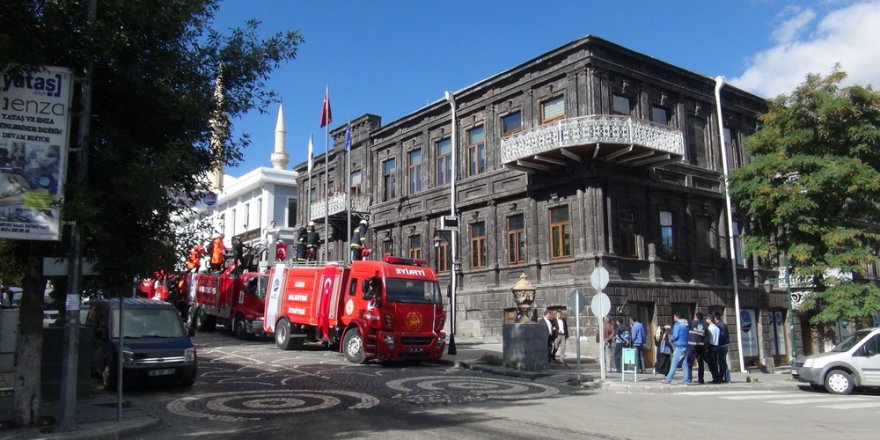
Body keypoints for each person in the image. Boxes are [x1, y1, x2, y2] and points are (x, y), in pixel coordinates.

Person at [663, 312, 691, 385]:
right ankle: (686, 380)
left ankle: (668, 379)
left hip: (679, 346)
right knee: (684, 364)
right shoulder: (687, 324)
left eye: (674, 316)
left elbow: (675, 335)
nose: (673, 318)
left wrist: (670, 339)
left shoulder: (677, 324)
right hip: (686, 345)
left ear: (677, 317)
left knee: (674, 363)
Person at [686, 311, 709, 384]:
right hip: (700, 346)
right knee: (700, 363)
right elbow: (706, 338)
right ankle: (701, 379)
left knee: (689, 363)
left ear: (696, 317)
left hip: (692, 346)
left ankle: (689, 378)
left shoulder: (692, 323)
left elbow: (687, 330)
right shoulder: (705, 325)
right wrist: (705, 347)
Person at [714, 312, 731, 383]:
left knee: (722, 362)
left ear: (715, 319)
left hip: (721, 345)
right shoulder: (724, 324)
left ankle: (726, 378)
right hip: (725, 345)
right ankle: (724, 377)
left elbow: (721, 336)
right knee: (722, 362)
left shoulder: (718, 326)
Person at [706, 314, 721, 383]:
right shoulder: (717, 328)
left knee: (711, 363)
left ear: (710, 320)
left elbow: (708, 338)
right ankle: (717, 377)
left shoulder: (709, 328)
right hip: (716, 346)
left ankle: (715, 378)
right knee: (715, 363)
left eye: (707, 319)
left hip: (711, 346)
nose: (706, 320)